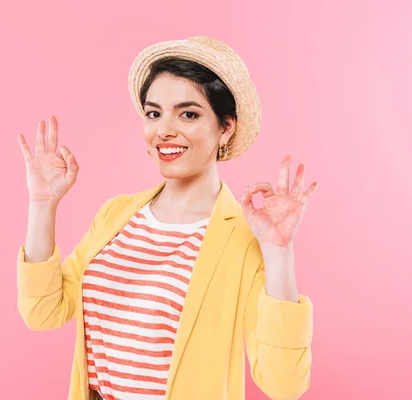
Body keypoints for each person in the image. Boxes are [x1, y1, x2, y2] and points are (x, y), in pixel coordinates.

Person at [16, 36, 319, 400]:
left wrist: (278, 254)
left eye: (188, 114)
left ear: (226, 127)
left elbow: (284, 385)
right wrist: (42, 205)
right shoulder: (115, 215)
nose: (164, 130)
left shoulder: (242, 239)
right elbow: (44, 312)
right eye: (154, 113)